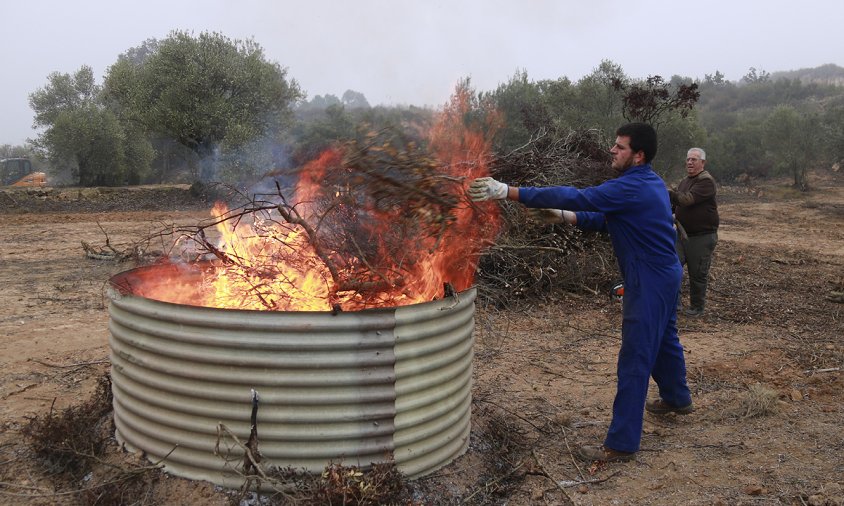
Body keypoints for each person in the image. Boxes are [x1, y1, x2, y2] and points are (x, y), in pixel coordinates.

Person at [467, 123, 693, 462]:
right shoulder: (649, 182)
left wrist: (508, 191)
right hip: (664, 273)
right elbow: (607, 219)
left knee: (636, 356)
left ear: (638, 155)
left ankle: (621, 444)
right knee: (664, 340)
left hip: (649, 278)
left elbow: (580, 195)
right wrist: (564, 216)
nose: (613, 151)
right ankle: (677, 399)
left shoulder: (631, 186)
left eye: (620, 147)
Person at [669, 148, 719, 316]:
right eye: (688, 159)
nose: (690, 162)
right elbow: (676, 204)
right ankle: (675, 304)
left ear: (702, 163)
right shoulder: (684, 181)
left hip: (702, 237)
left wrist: (665, 192)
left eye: (694, 159)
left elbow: (686, 199)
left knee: (697, 274)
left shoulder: (706, 181)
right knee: (672, 267)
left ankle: (697, 308)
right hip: (682, 234)